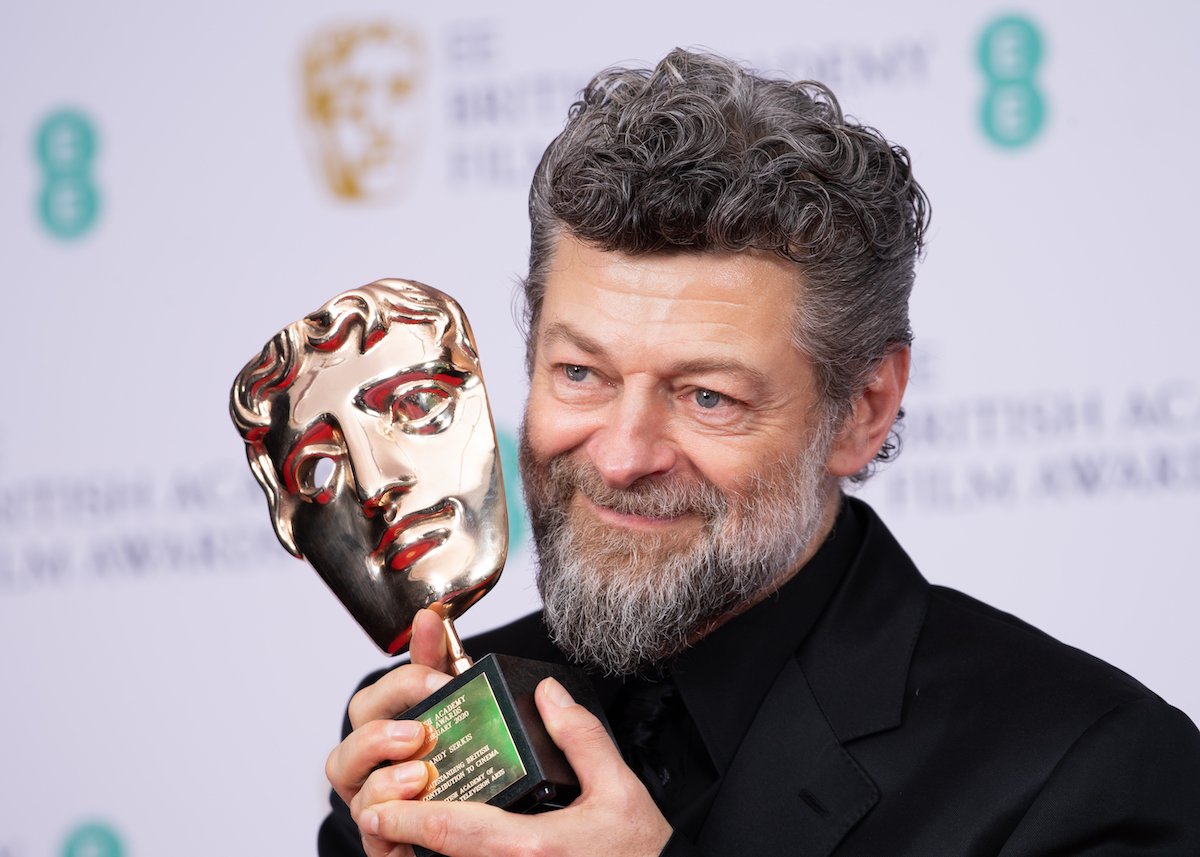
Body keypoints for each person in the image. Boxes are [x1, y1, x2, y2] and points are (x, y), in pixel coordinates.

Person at [317, 49, 1200, 856]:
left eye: (709, 396)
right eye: (581, 373)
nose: (623, 457)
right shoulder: (427, 738)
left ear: (864, 409)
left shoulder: (1089, 773)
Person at [230, 280, 507, 655]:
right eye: (318, 466)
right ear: (285, 521)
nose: (373, 487)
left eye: (418, 404)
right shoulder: (381, 713)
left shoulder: (563, 681)